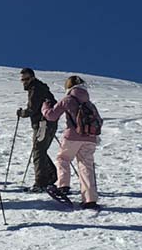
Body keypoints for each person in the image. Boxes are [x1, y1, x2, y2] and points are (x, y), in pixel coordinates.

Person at [41, 75, 102, 210]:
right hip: (91, 138)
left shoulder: (68, 99)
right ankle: (90, 200)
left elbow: (51, 116)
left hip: (72, 137)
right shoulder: (89, 103)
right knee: (86, 167)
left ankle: (63, 186)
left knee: (63, 158)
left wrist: (45, 106)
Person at [17, 68, 58, 192]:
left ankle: (41, 182)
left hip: (42, 124)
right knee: (41, 150)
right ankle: (50, 177)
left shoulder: (35, 89)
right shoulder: (42, 88)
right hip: (49, 124)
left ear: (32, 78)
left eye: (26, 79)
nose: (24, 82)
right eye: (22, 80)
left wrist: (22, 113)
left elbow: (32, 109)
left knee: (38, 151)